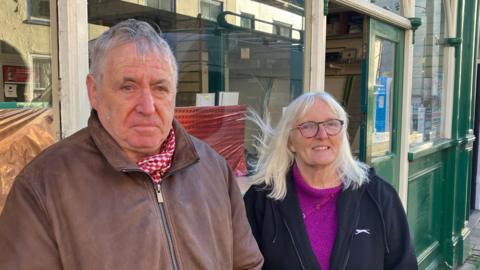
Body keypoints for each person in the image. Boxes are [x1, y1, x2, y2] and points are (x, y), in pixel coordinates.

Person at [0, 19, 263, 270]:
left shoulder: (213, 169)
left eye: (160, 88)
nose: (147, 107)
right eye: (128, 87)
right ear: (94, 91)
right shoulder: (43, 185)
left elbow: (246, 263)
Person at [243, 92, 417, 270]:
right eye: (308, 126)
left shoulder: (379, 196)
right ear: (290, 142)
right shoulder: (260, 202)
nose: (322, 134)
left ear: (342, 135)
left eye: (332, 124)